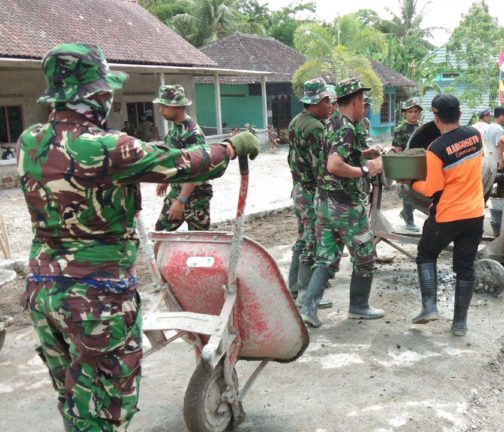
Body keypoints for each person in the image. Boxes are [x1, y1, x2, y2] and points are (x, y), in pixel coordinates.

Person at [17, 43, 259, 432]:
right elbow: (181, 164)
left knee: (75, 397)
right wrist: (230, 147)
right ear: (94, 95)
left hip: (44, 293)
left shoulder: (29, 141)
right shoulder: (109, 147)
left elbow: (146, 154)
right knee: (108, 406)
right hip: (96, 298)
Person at [299, 78, 385, 328]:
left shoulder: (332, 122)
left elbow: (337, 153)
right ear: (356, 100)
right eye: (363, 101)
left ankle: (309, 308)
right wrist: (367, 169)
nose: (364, 105)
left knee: (325, 257)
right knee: (365, 256)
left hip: (324, 202)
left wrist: (363, 154)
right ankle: (359, 306)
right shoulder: (346, 127)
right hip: (345, 205)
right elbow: (334, 164)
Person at [403, 94, 485, 336]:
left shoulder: (436, 148)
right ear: (459, 115)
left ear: (436, 118)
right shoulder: (475, 135)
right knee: (465, 266)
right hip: (475, 214)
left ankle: (429, 307)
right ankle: (459, 324)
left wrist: (411, 182)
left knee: (426, 254)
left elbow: (432, 188)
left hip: (447, 215)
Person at [286, 78, 334, 309]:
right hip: (310, 191)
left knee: (302, 238)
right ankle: (306, 293)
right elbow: (321, 166)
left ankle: (293, 288)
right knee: (311, 241)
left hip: (298, 188)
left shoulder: (296, 121)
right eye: (328, 102)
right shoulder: (315, 127)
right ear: (319, 101)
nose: (330, 107)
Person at [153, 85, 212, 232]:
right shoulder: (175, 128)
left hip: (195, 195)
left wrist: (181, 201)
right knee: (161, 233)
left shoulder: (192, 133)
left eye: (165, 106)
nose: (160, 110)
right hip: (178, 190)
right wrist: (165, 180)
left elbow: (196, 169)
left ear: (179, 107)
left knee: (200, 239)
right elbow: (174, 157)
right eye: (160, 105)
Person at [392, 97, 424, 232]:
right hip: (406, 164)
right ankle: (409, 221)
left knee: (420, 192)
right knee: (407, 191)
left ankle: (405, 213)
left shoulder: (422, 128)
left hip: (420, 164)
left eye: (416, 111)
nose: (413, 114)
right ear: (405, 113)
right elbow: (397, 149)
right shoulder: (400, 129)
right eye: (410, 112)